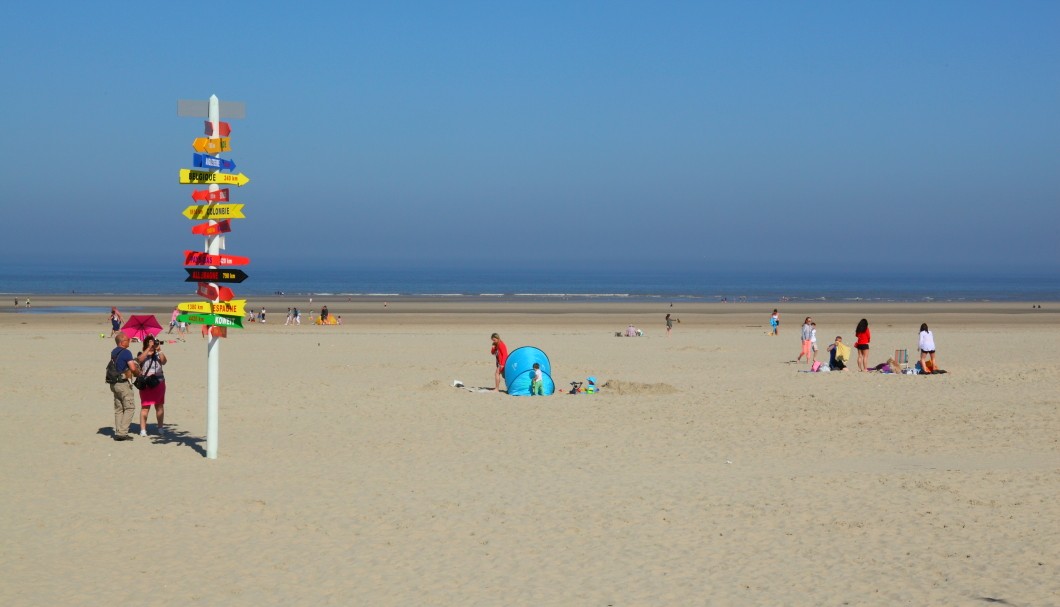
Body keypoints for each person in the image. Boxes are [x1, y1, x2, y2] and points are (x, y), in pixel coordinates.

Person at [108, 332, 140, 441]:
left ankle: (118, 431)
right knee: (130, 407)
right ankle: (122, 432)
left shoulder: (114, 351)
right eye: (127, 339)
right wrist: (137, 369)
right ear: (122, 342)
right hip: (123, 383)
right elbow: (132, 367)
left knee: (119, 408)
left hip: (114, 383)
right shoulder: (126, 352)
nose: (129, 340)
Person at [135, 336, 167, 436]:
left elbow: (164, 361)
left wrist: (159, 350)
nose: (153, 344)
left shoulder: (157, 354)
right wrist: (148, 348)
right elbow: (139, 360)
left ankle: (160, 427)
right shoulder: (142, 354)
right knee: (145, 407)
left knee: (159, 406)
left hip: (158, 382)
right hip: (146, 384)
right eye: (150, 343)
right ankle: (143, 430)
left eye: (153, 343)